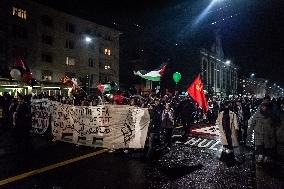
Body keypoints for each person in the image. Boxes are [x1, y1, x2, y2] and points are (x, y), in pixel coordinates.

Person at [216, 101, 239, 166]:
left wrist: (237, 130)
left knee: (230, 145)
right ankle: (224, 158)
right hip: (224, 131)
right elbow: (217, 121)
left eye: (228, 105)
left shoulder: (232, 114)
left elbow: (236, 123)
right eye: (226, 105)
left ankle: (230, 160)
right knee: (225, 145)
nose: (227, 107)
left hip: (230, 132)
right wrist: (219, 127)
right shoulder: (221, 113)